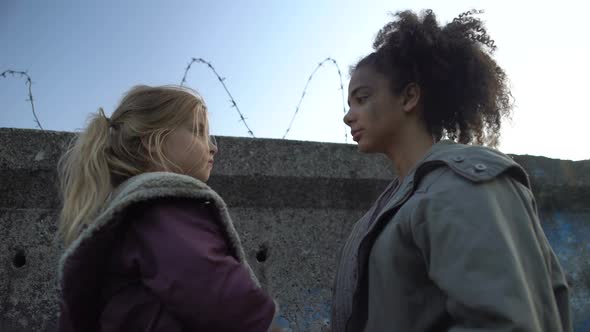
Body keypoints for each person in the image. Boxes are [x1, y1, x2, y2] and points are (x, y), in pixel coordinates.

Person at [331, 9, 571, 332]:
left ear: (409, 97)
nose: (348, 116)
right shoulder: (386, 211)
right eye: (349, 104)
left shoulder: (465, 182)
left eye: (362, 98)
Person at [56, 85, 281, 331]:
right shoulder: (161, 208)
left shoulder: (124, 211)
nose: (213, 147)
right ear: (154, 142)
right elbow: (212, 289)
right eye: (199, 131)